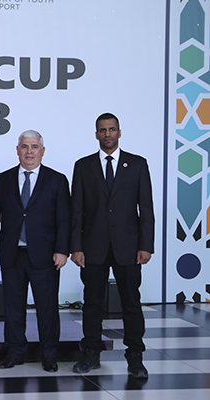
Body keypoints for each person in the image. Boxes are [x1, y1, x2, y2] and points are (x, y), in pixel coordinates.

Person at [70, 112, 154, 379]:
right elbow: (76, 211)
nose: (107, 134)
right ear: (96, 134)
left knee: (131, 303)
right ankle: (91, 353)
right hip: (92, 247)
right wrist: (76, 247)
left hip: (128, 247)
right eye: (103, 130)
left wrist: (146, 245)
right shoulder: (83, 166)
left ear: (119, 132)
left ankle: (135, 357)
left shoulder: (137, 164)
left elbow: (146, 209)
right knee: (92, 303)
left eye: (112, 129)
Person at [0, 130, 70, 372]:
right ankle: (15, 351)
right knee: (12, 307)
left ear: (42, 151)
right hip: (12, 253)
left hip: (46, 255)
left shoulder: (57, 180)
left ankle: (49, 354)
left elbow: (64, 219)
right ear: (17, 150)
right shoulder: (3, 179)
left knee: (47, 308)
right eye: (24, 146)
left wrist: (62, 250)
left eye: (34, 146)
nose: (29, 151)